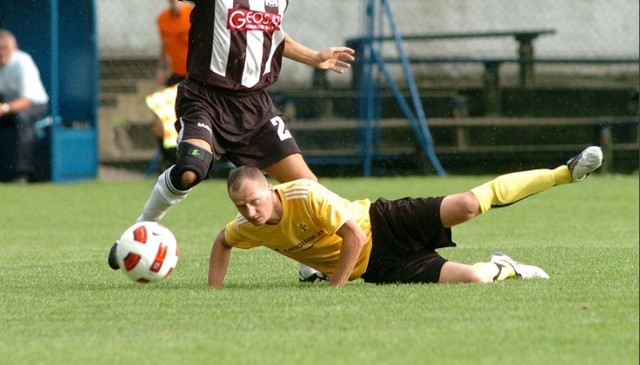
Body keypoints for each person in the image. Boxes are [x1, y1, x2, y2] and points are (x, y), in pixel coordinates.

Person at [57, 0, 355, 274]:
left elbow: (272, 35)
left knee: (309, 188)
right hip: (206, 99)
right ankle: (137, 230)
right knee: (189, 170)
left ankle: (310, 265)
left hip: (256, 106)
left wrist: (314, 57)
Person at [208, 146, 604, 288]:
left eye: (254, 201)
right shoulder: (247, 227)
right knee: (475, 278)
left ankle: (565, 173)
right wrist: (214, 290)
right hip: (384, 267)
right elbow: (221, 242)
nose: (249, 212)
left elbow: (353, 237)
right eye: (241, 207)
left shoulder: (303, 193)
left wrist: (336, 286)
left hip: (383, 223)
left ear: (269, 188)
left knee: (467, 205)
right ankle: (506, 266)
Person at [0, 29, 50, 183]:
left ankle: (23, 173)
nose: (1, 52)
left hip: (35, 105)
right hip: (8, 106)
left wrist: (4, 109)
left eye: (4, 48)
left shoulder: (23, 61)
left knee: (22, 118)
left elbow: (26, 101)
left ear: (14, 47)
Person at [150, 0, 192, 168]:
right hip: (175, 77)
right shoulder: (162, 19)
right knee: (160, 125)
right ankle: (170, 164)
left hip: (196, 78)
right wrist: (162, 69)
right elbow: (165, 47)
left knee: (192, 124)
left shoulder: (194, 14)